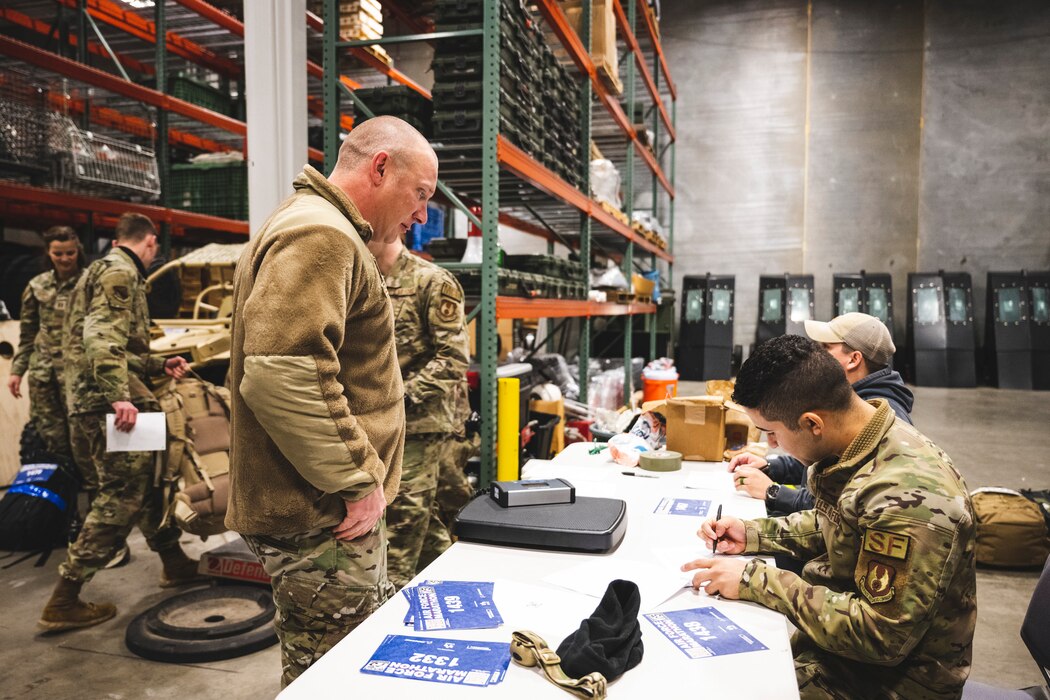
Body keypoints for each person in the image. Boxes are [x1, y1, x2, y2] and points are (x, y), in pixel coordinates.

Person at [226, 116, 437, 686]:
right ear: (381, 166)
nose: (421, 215)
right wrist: (358, 480)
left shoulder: (314, 225)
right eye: (420, 194)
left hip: (323, 506)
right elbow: (282, 375)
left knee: (341, 660)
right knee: (329, 677)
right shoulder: (323, 235)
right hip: (322, 510)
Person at [683, 335, 976, 699]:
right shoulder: (862, 441)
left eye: (772, 433)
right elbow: (838, 527)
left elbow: (880, 636)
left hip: (891, 682)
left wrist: (755, 580)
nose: (770, 445)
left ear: (812, 423)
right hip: (839, 653)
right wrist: (753, 534)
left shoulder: (905, 498)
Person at [39, 213, 197, 632]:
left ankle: (174, 563)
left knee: (144, 484)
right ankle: (65, 597)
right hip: (107, 407)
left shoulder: (96, 271)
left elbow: (106, 346)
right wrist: (119, 396)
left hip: (95, 402)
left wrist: (159, 363)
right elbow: (100, 339)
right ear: (150, 243)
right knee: (121, 494)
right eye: (155, 249)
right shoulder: (120, 273)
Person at [729, 312, 914, 514]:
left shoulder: (872, 420)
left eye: (826, 347)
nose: (815, 354)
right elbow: (825, 458)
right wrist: (773, 467)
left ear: (854, 359)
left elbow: (840, 509)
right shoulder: (849, 400)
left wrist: (774, 492)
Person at [367, 233, 472, 589]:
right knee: (425, 533)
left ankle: (388, 615)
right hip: (378, 426)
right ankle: (460, 590)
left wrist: (403, 398)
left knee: (399, 531)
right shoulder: (363, 279)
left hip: (420, 427)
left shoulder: (431, 282)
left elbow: (453, 358)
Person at [9, 227, 88, 480]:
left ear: (79, 252)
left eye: (70, 253)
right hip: (45, 376)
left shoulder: (91, 284)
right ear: (48, 253)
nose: (65, 259)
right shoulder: (37, 286)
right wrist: (17, 371)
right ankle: (65, 505)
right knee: (51, 439)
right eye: (58, 254)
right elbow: (28, 332)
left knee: (85, 439)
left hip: (79, 377)